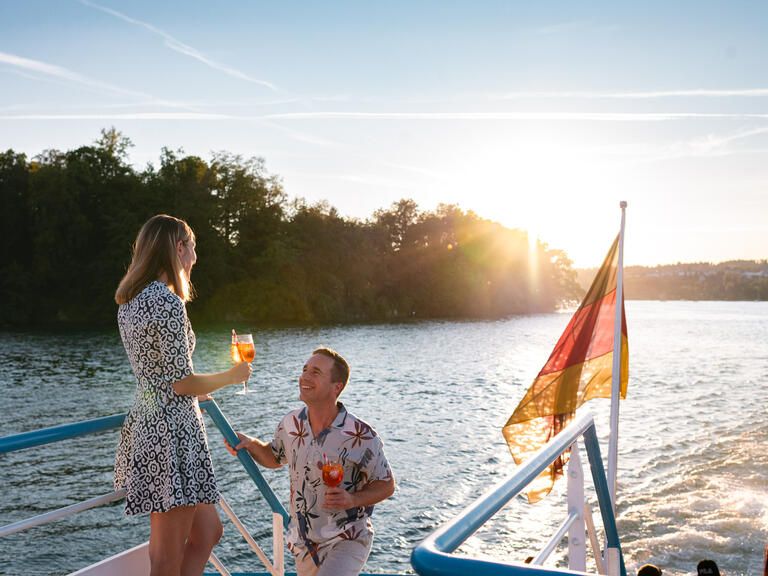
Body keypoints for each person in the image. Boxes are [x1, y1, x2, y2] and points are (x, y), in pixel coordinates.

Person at [113, 214, 252, 576]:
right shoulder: (167, 302)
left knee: (208, 531)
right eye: (192, 247)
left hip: (150, 419)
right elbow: (181, 383)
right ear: (178, 248)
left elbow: (160, 375)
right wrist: (232, 375)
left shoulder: (129, 301)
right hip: (172, 430)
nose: (195, 257)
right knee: (165, 558)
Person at [226, 347, 395, 576]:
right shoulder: (291, 423)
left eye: (315, 372)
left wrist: (353, 499)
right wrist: (251, 444)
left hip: (347, 538)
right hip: (304, 544)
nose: (305, 376)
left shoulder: (361, 435)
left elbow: (386, 484)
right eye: (305, 369)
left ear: (337, 387)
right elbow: (274, 457)